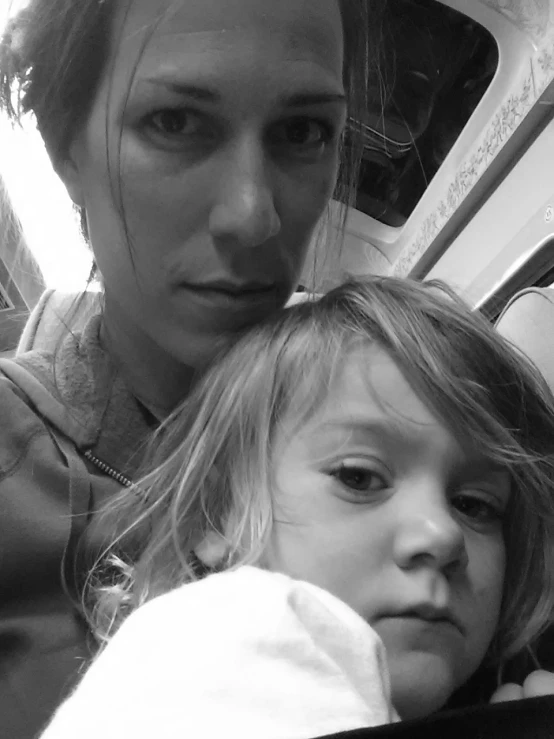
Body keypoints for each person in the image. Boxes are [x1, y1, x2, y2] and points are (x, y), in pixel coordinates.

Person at [0, 0, 373, 736]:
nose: (252, 215)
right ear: (64, 148)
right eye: (174, 122)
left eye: (303, 132)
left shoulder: (406, 444)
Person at [37, 277, 554, 737]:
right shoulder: (213, 646)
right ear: (218, 514)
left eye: (476, 504)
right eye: (359, 477)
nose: (443, 535)